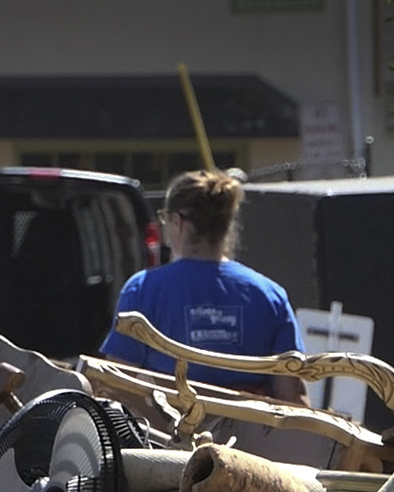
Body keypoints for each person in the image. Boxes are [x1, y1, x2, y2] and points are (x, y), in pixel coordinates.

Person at [99, 169, 312, 406]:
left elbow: (116, 386)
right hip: (247, 439)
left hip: (167, 434)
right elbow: (292, 397)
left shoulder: (142, 289)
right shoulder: (270, 296)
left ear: (178, 222)